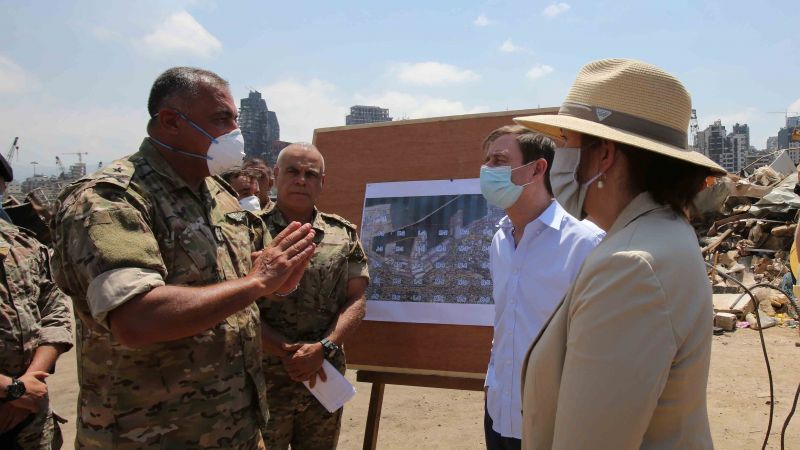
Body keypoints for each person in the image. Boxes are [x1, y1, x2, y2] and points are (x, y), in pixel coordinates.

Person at [50, 67, 317, 449]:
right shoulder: (111, 199)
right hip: (149, 435)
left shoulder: (220, 196)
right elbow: (136, 318)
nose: (235, 132)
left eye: (235, 119)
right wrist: (257, 282)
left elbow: (236, 284)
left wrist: (276, 283)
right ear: (171, 122)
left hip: (235, 429)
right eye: (221, 119)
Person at [514, 59, 725, 449]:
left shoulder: (630, 266)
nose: (560, 157)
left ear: (604, 155)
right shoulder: (662, 233)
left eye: (566, 141)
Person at [479, 126, 603, 450]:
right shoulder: (500, 241)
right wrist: (493, 383)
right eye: (487, 160)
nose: (487, 169)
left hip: (553, 423)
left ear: (537, 169)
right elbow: (505, 322)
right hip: (499, 413)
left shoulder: (584, 244)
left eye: (499, 160)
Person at [258, 143, 369, 449]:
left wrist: (323, 347)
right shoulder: (247, 231)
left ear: (322, 182)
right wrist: (286, 351)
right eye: (292, 171)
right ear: (275, 175)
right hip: (263, 378)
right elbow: (236, 305)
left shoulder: (342, 234)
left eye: (310, 174)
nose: (301, 180)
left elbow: (356, 300)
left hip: (323, 377)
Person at [0, 186, 73, 449]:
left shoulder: (24, 245)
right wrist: (11, 389)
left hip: (32, 423)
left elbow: (55, 315)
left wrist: (29, 384)